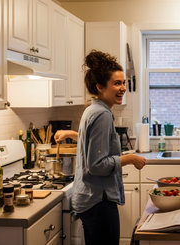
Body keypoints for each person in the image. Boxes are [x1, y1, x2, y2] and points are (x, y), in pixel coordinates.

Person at [67, 50, 146, 245]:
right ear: (100, 87)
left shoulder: (92, 110)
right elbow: (96, 165)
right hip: (98, 201)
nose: (123, 88)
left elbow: (91, 147)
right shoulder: (102, 114)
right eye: (117, 83)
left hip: (90, 200)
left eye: (123, 83)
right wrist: (129, 159)